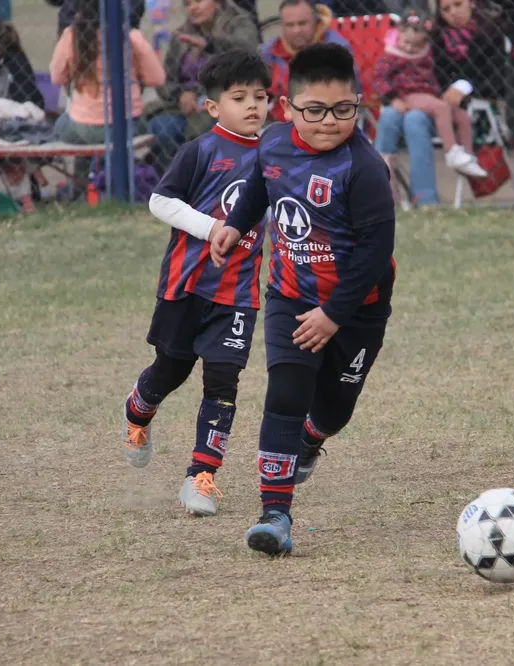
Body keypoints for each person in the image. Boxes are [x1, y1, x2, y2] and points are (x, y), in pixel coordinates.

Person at [210, 43, 396, 556]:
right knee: (286, 392)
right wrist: (235, 225)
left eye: (343, 110)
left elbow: (378, 251)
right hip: (291, 295)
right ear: (287, 108)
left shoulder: (364, 168)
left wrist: (335, 314)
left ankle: (314, 438)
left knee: (334, 409)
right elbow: (257, 190)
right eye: (314, 110)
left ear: (358, 104)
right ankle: (275, 514)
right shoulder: (272, 145)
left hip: (357, 308)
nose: (329, 121)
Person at [122, 49, 271, 517]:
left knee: (224, 382)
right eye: (240, 97)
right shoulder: (202, 150)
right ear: (212, 107)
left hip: (239, 294)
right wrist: (213, 230)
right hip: (187, 286)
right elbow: (160, 202)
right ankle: (138, 410)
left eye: (261, 97)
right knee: (172, 370)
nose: (253, 106)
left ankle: (200, 477)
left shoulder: (278, 155)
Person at [50, 0, 165, 183]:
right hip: (128, 125)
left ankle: (85, 186)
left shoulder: (71, 35)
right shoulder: (130, 36)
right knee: (147, 121)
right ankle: (112, 181)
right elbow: (157, 79)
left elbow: (57, 78)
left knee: (61, 124)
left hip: (82, 128)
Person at [373, 10, 487, 179]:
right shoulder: (392, 55)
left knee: (461, 115)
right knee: (441, 107)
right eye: (406, 43)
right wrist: (392, 98)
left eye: (416, 45)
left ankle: (468, 157)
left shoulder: (428, 51)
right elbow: (378, 78)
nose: (410, 48)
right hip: (407, 94)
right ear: (399, 34)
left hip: (429, 95)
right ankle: (452, 151)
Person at [149, 0, 260, 165]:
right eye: (187, 4)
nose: (193, 7)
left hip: (223, 103)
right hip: (185, 107)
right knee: (161, 126)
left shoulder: (239, 23)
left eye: (199, 1)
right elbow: (165, 78)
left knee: (214, 132)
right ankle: (177, 180)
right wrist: (180, 95)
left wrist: (210, 44)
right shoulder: (182, 34)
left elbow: (246, 53)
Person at [261, 0, 352, 124]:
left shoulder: (337, 49)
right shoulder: (269, 52)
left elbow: (348, 93)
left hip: (324, 122)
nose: (296, 30)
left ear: (316, 22)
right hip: (279, 123)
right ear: (282, 26)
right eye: (290, 25)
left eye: (302, 23)